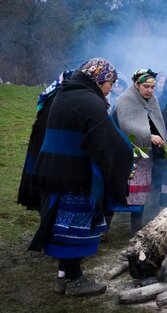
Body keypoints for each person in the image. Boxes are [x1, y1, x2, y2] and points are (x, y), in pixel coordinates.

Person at [28, 58, 133, 296]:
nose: (111, 88)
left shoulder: (67, 93)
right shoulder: (88, 100)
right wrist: (128, 155)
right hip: (73, 176)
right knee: (73, 228)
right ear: (97, 79)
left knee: (62, 226)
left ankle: (64, 276)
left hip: (55, 171)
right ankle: (75, 280)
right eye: (109, 82)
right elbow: (108, 139)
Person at [110, 69, 167, 234]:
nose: (149, 90)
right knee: (119, 189)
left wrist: (162, 141)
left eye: (152, 87)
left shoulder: (153, 101)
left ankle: (136, 227)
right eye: (146, 86)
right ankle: (104, 228)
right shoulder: (125, 100)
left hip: (145, 156)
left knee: (141, 193)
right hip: (125, 153)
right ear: (136, 85)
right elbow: (126, 126)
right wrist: (148, 136)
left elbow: (158, 123)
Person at [18, 70, 74, 212]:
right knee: (46, 187)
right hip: (47, 148)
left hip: (40, 146)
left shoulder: (52, 95)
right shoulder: (60, 99)